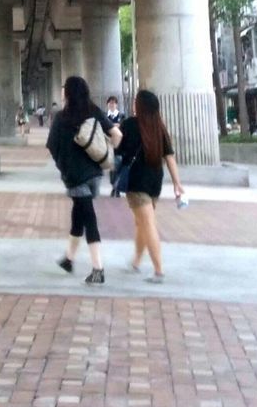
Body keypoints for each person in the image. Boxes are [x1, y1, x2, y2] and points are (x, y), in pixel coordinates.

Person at [47, 75, 122, 285]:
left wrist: (63, 164)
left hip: (74, 176)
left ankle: (98, 269)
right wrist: (106, 152)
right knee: (79, 213)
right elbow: (117, 135)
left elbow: (52, 146)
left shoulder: (61, 117)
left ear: (69, 93)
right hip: (94, 174)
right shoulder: (94, 111)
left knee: (89, 218)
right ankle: (69, 259)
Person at [116, 89, 184, 282]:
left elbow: (118, 148)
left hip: (136, 183)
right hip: (155, 183)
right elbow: (169, 157)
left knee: (147, 224)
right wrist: (177, 183)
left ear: (140, 106)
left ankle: (159, 270)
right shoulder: (159, 127)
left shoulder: (129, 124)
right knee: (142, 223)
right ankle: (136, 262)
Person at [105, 96, 125, 197]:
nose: (112, 105)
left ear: (116, 104)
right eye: (110, 103)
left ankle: (116, 188)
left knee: (118, 166)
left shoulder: (122, 116)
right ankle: (114, 185)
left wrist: (117, 126)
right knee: (112, 167)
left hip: (120, 146)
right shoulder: (105, 117)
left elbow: (124, 129)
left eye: (114, 103)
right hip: (109, 145)